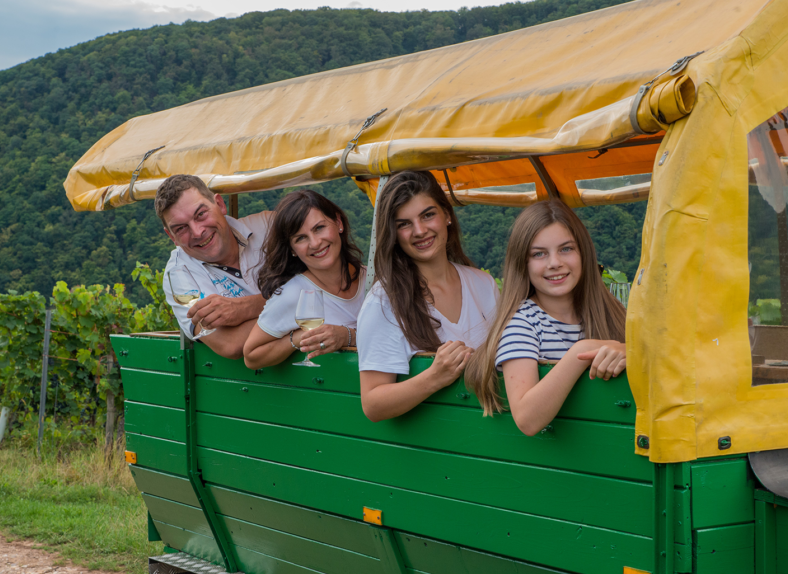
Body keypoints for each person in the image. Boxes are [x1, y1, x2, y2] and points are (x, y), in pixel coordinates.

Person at [466, 200, 627, 436]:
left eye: (566, 249)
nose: (555, 263)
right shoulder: (523, 324)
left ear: (583, 253)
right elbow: (527, 419)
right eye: (539, 254)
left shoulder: (610, 311)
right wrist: (581, 353)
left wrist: (627, 350)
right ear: (523, 264)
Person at [357, 170, 499, 421]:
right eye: (404, 224)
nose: (420, 230)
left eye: (428, 215)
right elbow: (373, 404)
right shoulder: (383, 302)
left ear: (447, 215)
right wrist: (434, 377)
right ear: (393, 233)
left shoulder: (484, 284)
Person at [243, 190, 365, 369]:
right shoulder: (293, 294)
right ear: (292, 249)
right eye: (301, 238)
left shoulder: (375, 280)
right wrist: (299, 338)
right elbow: (252, 357)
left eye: (319, 228)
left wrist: (347, 336)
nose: (315, 243)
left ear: (338, 223)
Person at [156, 174, 271, 359]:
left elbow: (330, 282)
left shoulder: (269, 227)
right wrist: (299, 311)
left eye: (201, 214)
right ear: (172, 237)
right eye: (181, 228)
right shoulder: (179, 275)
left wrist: (245, 308)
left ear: (220, 204)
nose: (197, 232)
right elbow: (230, 343)